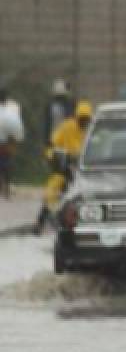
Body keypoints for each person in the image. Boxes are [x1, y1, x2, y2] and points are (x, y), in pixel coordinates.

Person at [33, 100, 92, 235]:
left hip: (84, 171)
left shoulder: (91, 131)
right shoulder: (66, 127)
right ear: (76, 117)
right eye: (81, 118)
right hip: (64, 167)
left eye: (86, 119)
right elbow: (53, 143)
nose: (83, 122)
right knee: (51, 191)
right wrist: (52, 157)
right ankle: (39, 223)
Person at [0, 86, 25, 199]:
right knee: (6, 165)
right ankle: (6, 188)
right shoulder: (11, 114)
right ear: (5, 100)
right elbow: (18, 134)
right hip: (5, 145)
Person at [43, 79, 75, 147]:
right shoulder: (70, 105)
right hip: (60, 140)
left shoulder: (50, 106)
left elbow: (47, 126)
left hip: (60, 140)